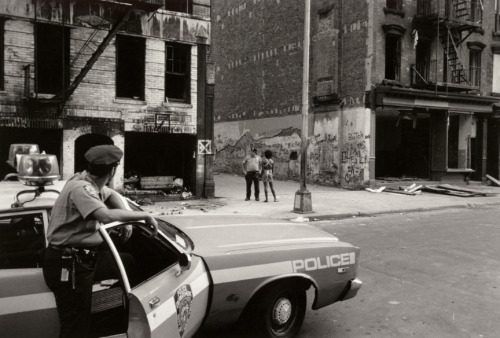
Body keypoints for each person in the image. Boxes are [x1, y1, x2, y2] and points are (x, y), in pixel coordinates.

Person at [42, 144, 158, 338]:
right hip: (68, 265)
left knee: (127, 262)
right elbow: (104, 216)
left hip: (82, 259)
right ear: (113, 170)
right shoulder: (81, 189)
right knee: (75, 325)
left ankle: (117, 312)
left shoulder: (83, 180)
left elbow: (111, 194)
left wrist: (127, 220)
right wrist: (143, 216)